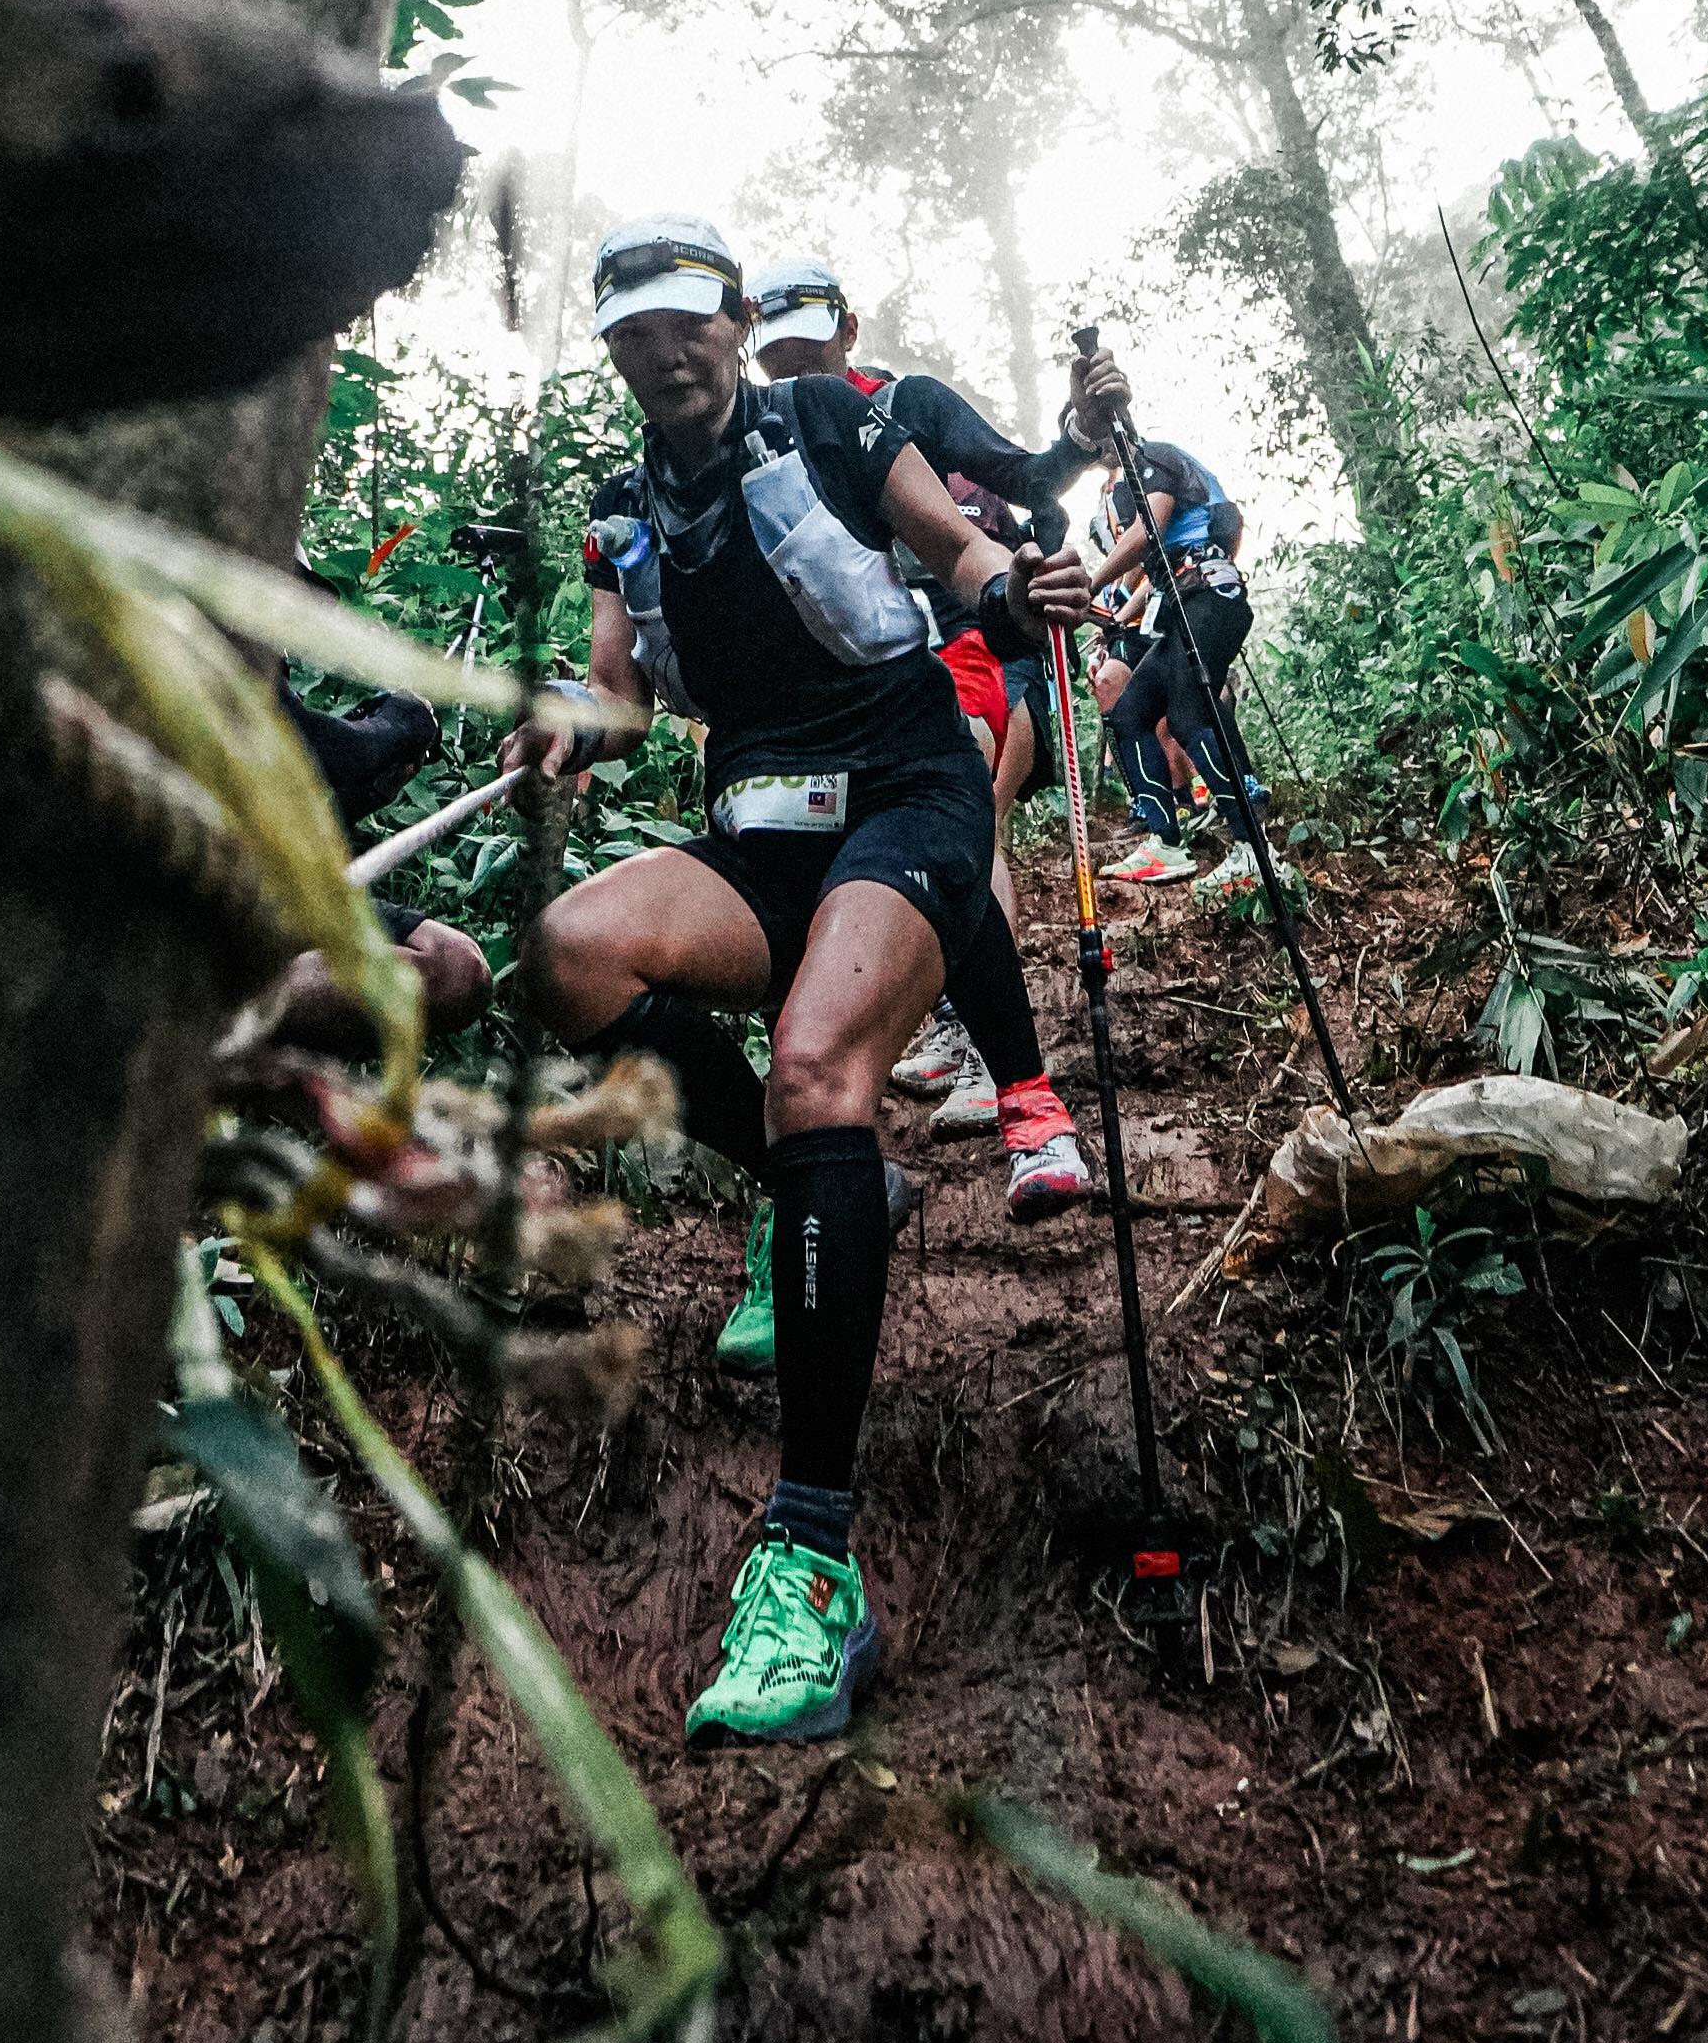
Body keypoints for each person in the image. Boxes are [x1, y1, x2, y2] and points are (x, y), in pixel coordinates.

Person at [509, 214, 1095, 1746]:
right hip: (760, 831)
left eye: (688, 323)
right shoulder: (625, 509)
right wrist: (567, 721)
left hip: (908, 793)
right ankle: (812, 1190)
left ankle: (814, 1559)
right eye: (634, 335)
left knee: (819, 1065)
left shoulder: (833, 416)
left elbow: (954, 548)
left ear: (736, 320)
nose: (667, 354)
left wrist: (1009, 590)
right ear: (616, 353)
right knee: (569, 952)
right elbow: (621, 696)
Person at [745, 256, 1115, 1158]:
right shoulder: (755, 436)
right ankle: (953, 1021)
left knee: (966, 819)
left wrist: (1080, 430)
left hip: (965, 636)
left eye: (811, 353)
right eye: (777, 360)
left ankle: (1000, 1066)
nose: (798, 376)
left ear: (849, 331)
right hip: (864, 678)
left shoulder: (905, 403)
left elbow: (1026, 476)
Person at [1081, 433, 1257, 889]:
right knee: (1130, 713)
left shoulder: (1152, 458)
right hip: (1181, 602)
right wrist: (1111, 615)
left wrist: (1089, 584)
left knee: (1186, 714)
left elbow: (1150, 531)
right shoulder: (1127, 479)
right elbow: (1155, 567)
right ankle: (1165, 842)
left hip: (1210, 594)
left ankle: (1252, 847)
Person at [274, 678, 495, 1035]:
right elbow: (301, 742)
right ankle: (212, 1020)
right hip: (202, 902)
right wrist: (399, 724)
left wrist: (367, 793)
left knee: (457, 970)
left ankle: (245, 1016)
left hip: (276, 891)